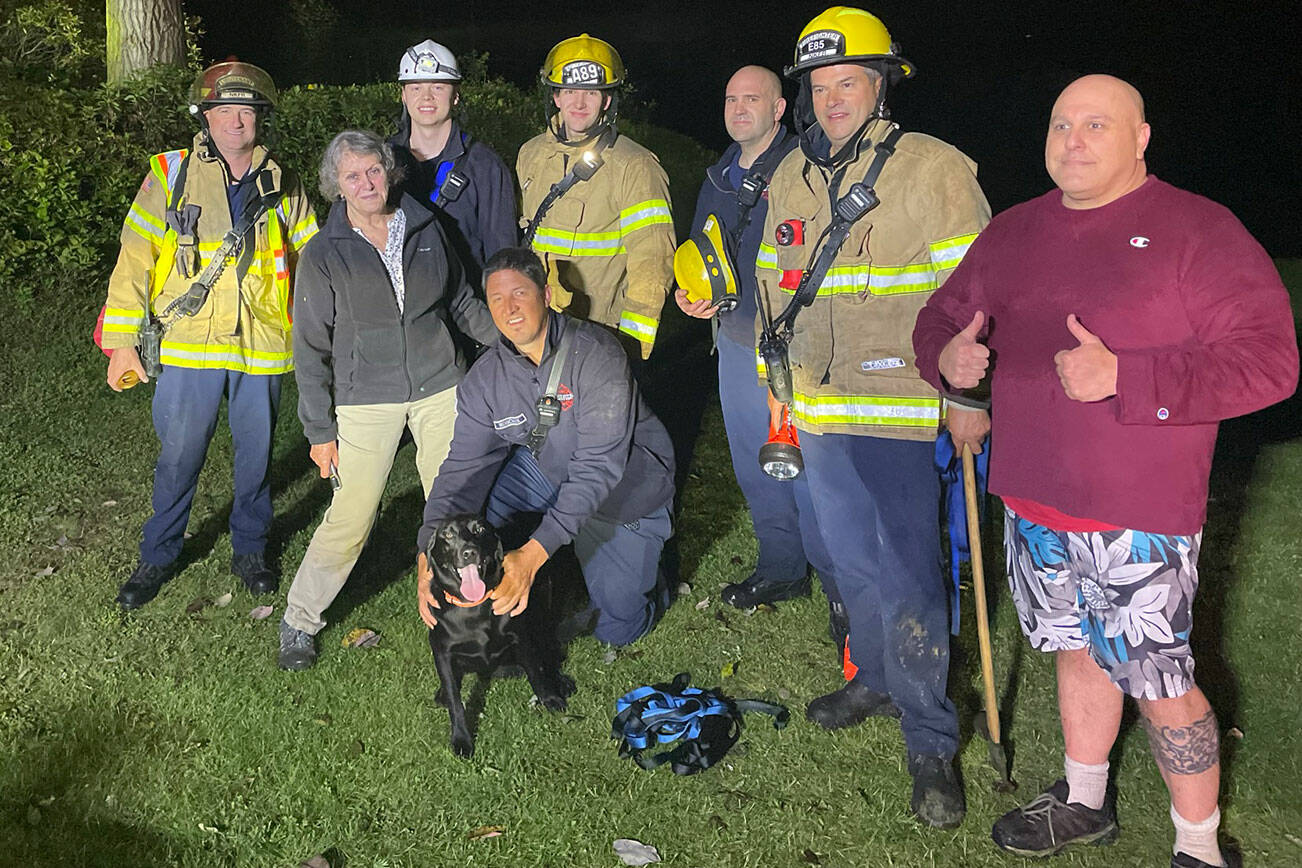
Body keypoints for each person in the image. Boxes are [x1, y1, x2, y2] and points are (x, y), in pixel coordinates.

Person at [913, 74, 1298, 868]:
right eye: (1061, 125)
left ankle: (1199, 845)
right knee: (1075, 651)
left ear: (1141, 138)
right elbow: (943, 318)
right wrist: (947, 361)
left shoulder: (1198, 229)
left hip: (1139, 514)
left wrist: (1131, 377)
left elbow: (1270, 362)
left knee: (1157, 679)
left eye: (1096, 125)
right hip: (1031, 498)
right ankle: (1084, 799)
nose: (1074, 141)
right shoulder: (1016, 231)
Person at [754, 7, 990, 827]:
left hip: (898, 415)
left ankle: (930, 738)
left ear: (881, 85)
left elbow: (975, 301)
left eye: (847, 82)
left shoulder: (934, 171)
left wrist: (966, 396)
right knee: (846, 560)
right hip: (817, 413)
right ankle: (877, 681)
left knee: (914, 577)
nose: (832, 99)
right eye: (820, 87)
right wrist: (772, 377)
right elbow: (769, 284)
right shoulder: (792, 174)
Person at [100, 62, 319, 610]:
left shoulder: (283, 181)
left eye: (247, 111)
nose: (236, 121)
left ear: (260, 118)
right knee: (179, 455)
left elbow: (314, 260)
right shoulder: (170, 175)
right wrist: (123, 338)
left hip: (260, 344)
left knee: (256, 457)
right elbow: (134, 259)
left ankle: (250, 549)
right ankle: (158, 555)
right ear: (205, 115)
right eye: (225, 109)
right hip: (187, 343)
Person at [278, 130, 498, 670]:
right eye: (352, 176)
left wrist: (518, 339)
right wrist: (319, 431)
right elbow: (309, 349)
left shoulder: (426, 226)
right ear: (337, 186)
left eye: (373, 171)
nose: (366, 183)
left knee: (455, 508)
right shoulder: (324, 254)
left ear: (389, 172)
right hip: (364, 398)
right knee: (351, 514)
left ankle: (470, 608)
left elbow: (463, 301)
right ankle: (300, 619)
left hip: (440, 383)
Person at [416, 247, 675, 648]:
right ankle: (532, 580)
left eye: (520, 293)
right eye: (497, 299)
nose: (509, 308)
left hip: (626, 490)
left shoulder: (597, 355)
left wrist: (535, 554)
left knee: (617, 628)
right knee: (483, 516)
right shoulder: (485, 379)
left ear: (547, 296)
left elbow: (597, 468)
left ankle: (652, 577)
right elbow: (462, 467)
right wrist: (429, 548)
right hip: (546, 470)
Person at [673, 65, 843, 632]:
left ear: (778, 109)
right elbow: (702, 250)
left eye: (753, 98)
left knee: (811, 466)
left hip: (794, 351)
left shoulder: (804, 169)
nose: (739, 108)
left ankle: (841, 582)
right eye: (731, 98)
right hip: (736, 343)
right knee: (757, 465)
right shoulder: (718, 175)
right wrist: (693, 297)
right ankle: (782, 567)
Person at [516, 34, 675, 361]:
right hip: (537, 330)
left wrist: (631, 349)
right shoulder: (529, 155)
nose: (579, 103)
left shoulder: (635, 166)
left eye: (592, 92)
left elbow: (653, 263)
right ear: (556, 97)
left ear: (606, 101)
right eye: (570, 91)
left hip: (599, 337)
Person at [388, 39, 518, 289]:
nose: (426, 97)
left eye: (438, 87)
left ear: (455, 95)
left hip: (468, 315)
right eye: (415, 88)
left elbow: (502, 255)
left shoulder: (485, 166)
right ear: (403, 95)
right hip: (403, 315)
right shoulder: (382, 162)